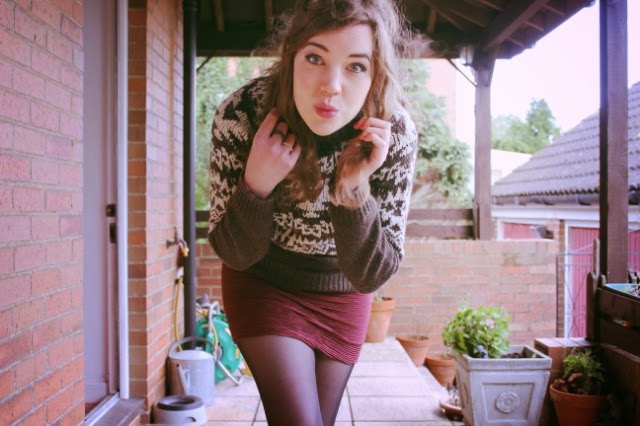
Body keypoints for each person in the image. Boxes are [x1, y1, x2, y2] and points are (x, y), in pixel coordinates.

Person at [207, 1, 426, 424]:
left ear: (375, 74)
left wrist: (353, 188)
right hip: (264, 282)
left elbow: (373, 274)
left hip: (344, 291)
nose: (331, 86)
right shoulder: (242, 115)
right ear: (290, 57)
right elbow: (234, 253)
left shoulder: (393, 132)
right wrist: (256, 184)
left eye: (355, 66)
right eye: (315, 58)